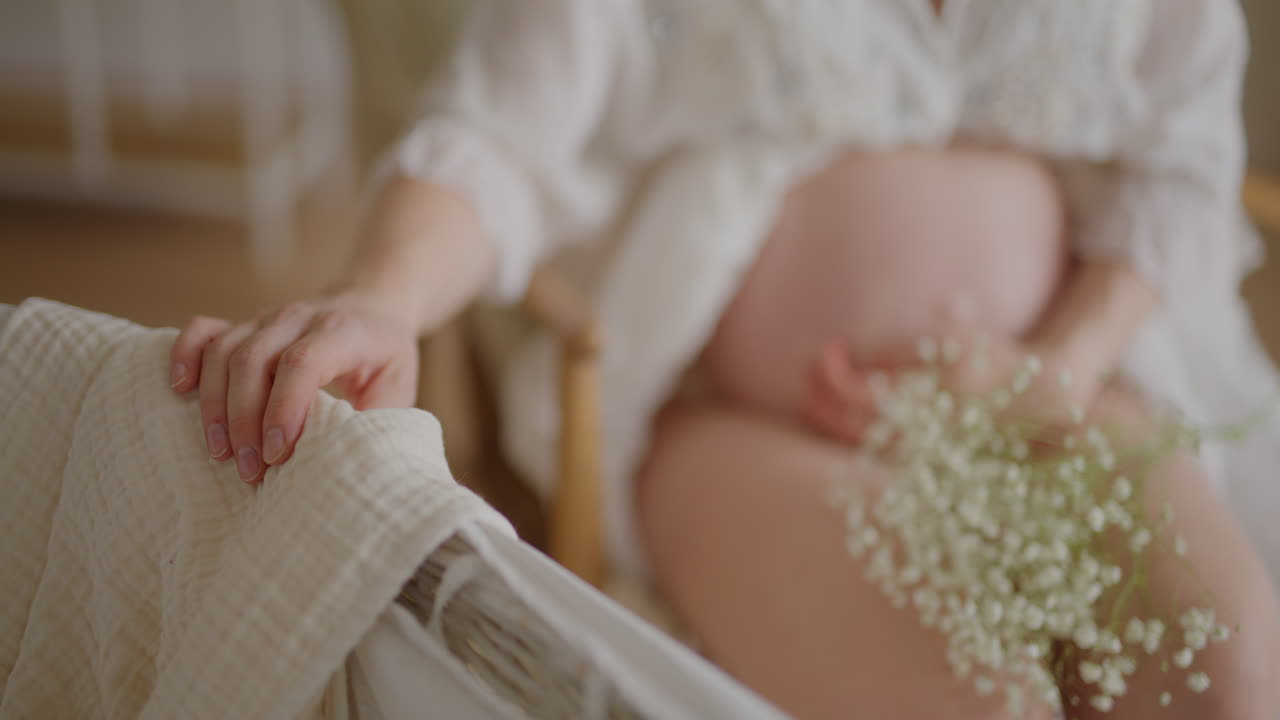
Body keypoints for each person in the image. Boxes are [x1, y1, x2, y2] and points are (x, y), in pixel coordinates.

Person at [169, 1, 1280, 717]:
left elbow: (1179, 163)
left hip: (1068, 384)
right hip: (750, 425)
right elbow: (501, 136)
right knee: (973, 704)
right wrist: (383, 294)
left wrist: (1056, 370)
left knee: (1226, 679)